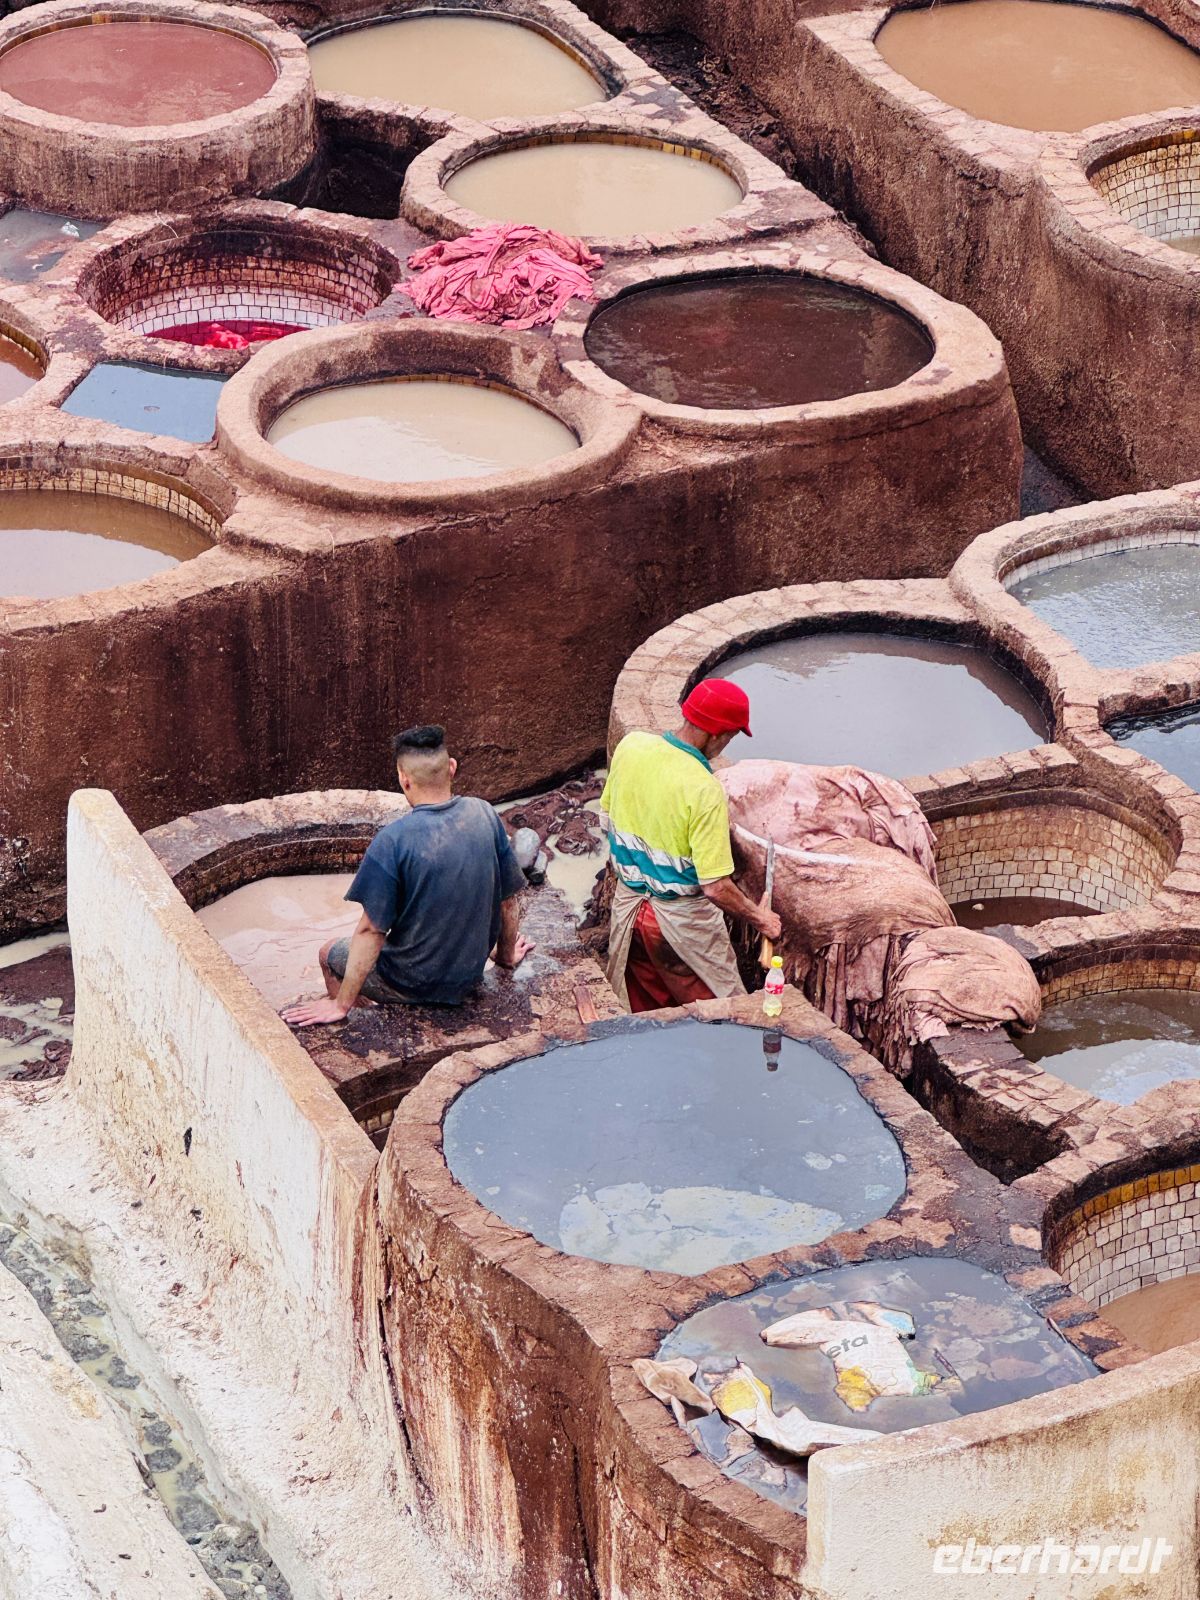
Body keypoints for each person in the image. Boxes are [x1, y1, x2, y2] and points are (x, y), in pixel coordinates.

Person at [283, 725, 532, 1027]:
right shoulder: (484, 814)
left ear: (404, 779)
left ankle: (357, 1018)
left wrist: (341, 1003)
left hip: (416, 982)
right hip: (469, 974)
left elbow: (370, 932)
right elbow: (508, 899)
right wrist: (505, 956)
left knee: (329, 953)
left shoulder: (392, 840)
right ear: (451, 768)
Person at [600, 678, 781, 1012]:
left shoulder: (631, 746)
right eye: (730, 736)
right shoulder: (704, 789)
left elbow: (606, 817)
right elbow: (715, 887)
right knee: (724, 1014)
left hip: (629, 909)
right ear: (718, 734)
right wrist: (761, 919)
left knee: (648, 1009)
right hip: (677, 924)